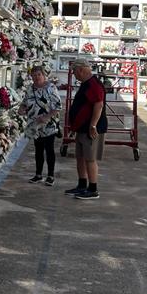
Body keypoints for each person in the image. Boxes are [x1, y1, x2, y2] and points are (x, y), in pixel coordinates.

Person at [65, 60, 107, 200]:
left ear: (82, 70)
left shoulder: (93, 84)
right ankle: (82, 185)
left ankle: (93, 189)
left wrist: (93, 125)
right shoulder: (86, 84)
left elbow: (98, 105)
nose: (74, 75)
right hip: (82, 128)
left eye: (75, 72)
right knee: (81, 157)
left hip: (91, 129)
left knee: (90, 158)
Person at [20, 63, 62, 185]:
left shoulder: (51, 88)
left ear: (44, 75)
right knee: (38, 150)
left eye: (39, 75)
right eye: (34, 75)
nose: (37, 77)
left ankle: (50, 175)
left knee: (49, 150)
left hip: (48, 125)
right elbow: (25, 102)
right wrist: (22, 108)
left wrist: (47, 116)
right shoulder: (30, 89)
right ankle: (38, 174)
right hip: (35, 126)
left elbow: (58, 106)